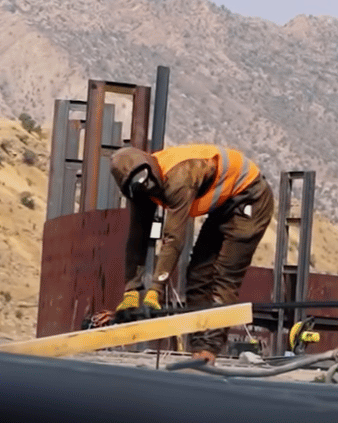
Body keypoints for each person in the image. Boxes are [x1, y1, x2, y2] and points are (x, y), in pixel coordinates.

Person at [109, 144, 274, 364]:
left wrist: (154, 291)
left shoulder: (179, 176)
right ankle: (198, 349)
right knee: (197, 274)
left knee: (223, 279)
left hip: (251, 197)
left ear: (150, 167)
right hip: (224, 204)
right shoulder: (140, 189)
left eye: (147, 182)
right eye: (139, 187)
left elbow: (174, 238)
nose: (146, 188)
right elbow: (137, 238)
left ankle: (208, 353)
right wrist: (132, 290)